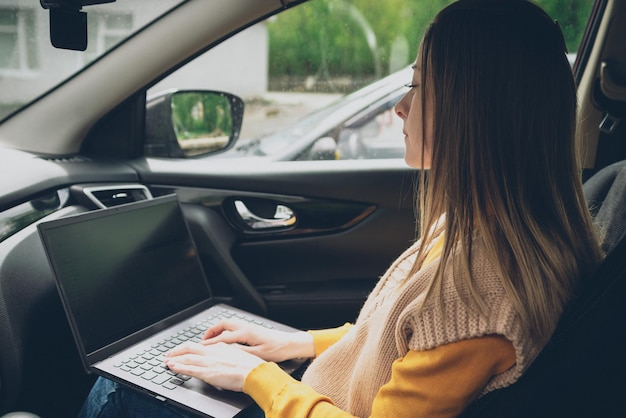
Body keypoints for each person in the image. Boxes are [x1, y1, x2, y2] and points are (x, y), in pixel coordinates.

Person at [78, 0, 604, 416]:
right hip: (311, 399)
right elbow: (394, 346)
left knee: (118, 393)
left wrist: (255, 379)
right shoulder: (481, 231)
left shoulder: (478, 292)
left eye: (419, 86)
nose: (401, 106)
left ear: (475, 113)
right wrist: (291, 343)